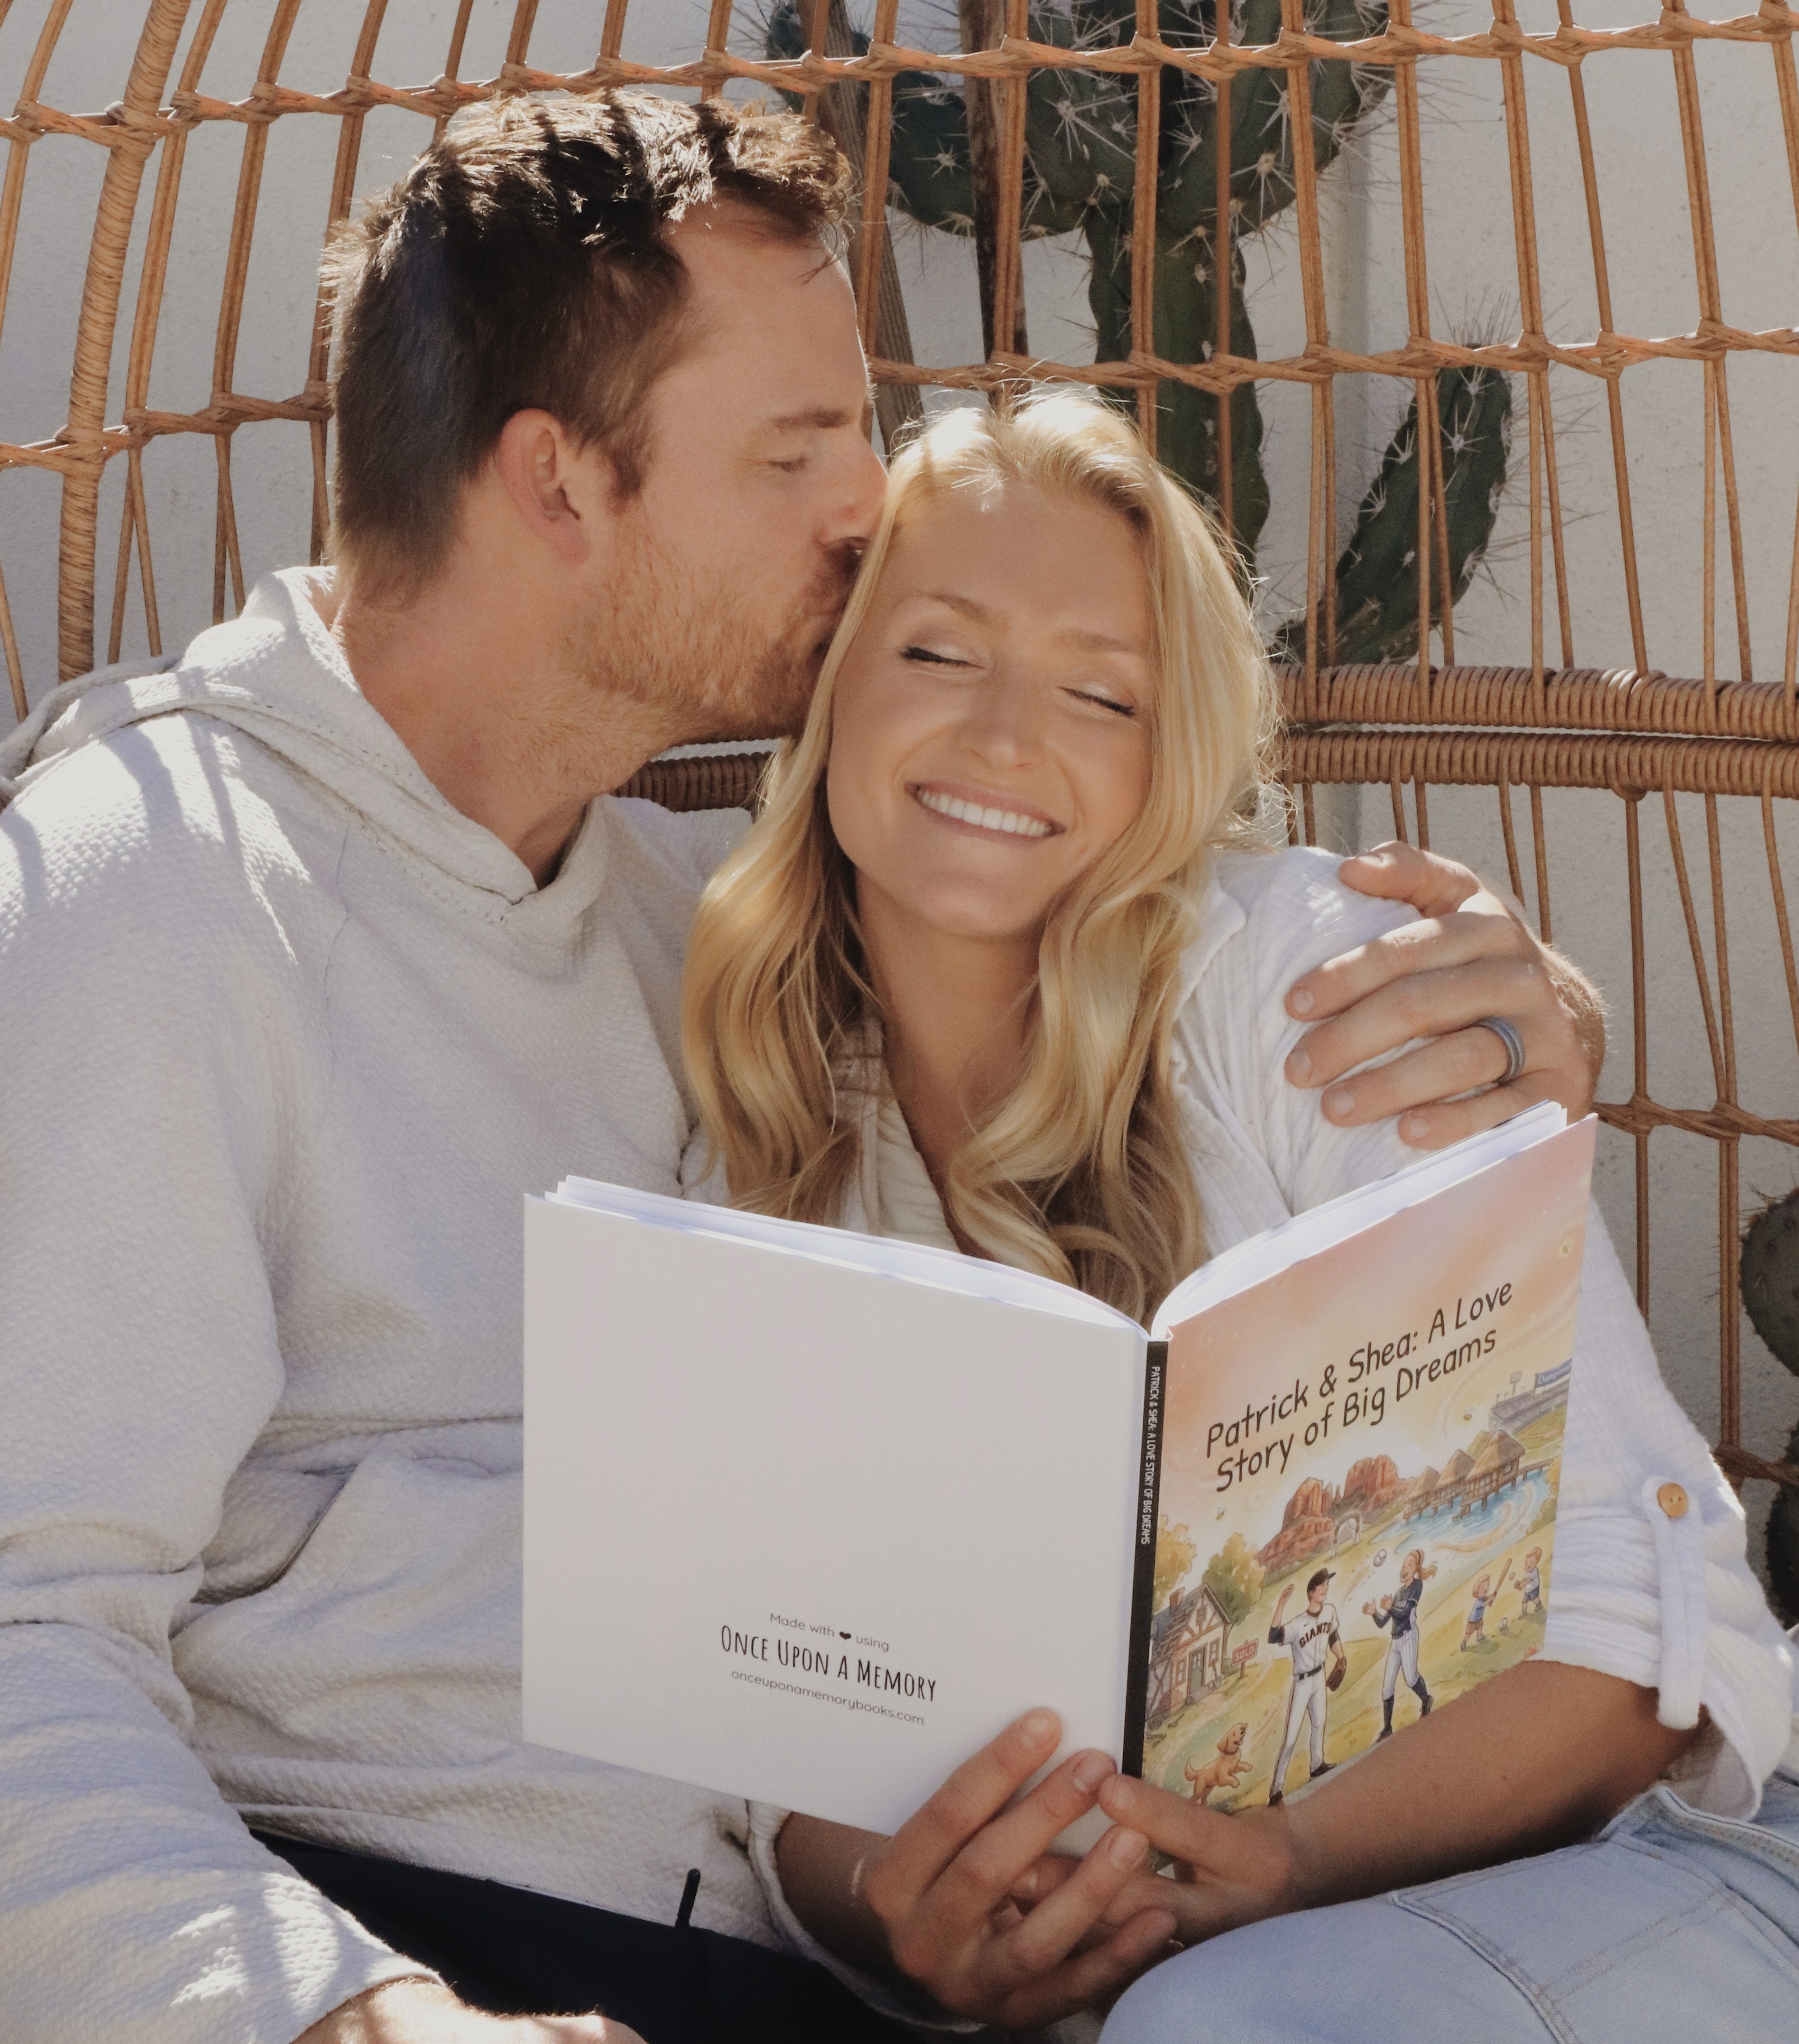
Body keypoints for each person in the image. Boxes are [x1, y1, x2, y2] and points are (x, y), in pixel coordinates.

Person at [0, 90, 1616, 2044]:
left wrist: (1494, 1019)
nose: (872, 501)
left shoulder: (695, 923)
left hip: (841, 1957)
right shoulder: (147, 895)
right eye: (796, 451)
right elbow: (22, 1630)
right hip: (445, 1938)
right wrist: (346, 2015)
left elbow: (1087, 912)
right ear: (557, 485)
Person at [679, 393, 1799, 2038]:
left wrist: (1282, 1860)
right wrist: (909, 1923)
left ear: (1168, 750)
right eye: (935, 652)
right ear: (826, 679)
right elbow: (770, 1723)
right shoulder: (759, 1113)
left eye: (1097, 689)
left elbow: (1638, 1642)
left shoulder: (1311, 989)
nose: (1003, 734)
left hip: (1628, 1867)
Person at [1265, 1572, 1347, 1804]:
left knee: (1319, 1724)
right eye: (1322, 1586)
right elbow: (1273, 1636)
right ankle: (1276, 1788)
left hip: (1320, 1677)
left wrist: (1340, 1657)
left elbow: (1333, 1635)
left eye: (1327, 1584)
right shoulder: (1297, 1624)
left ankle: (1317, 1766)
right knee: (1291, 1738)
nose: (1326, 1588)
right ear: (1311, 1592)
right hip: (1302, 1683)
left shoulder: (1330, 1611)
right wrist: (1281, 1603)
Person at [1366, 1546, 1437, 1739]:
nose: (1405, 1567)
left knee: (1411, 1678)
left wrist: (1391, 1607)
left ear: (1416, 1569)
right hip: (1396, 1642)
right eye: (1404, 1564)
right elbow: (1383, 1623)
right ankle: (1387, 1729)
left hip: (1409, 1637)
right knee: (1387, 1687)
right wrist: (1374, 1613)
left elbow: (1405, 1614)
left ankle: (1427, 1699)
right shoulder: (1397, 1593)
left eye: (1410, 1564)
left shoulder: (1417, 1586)